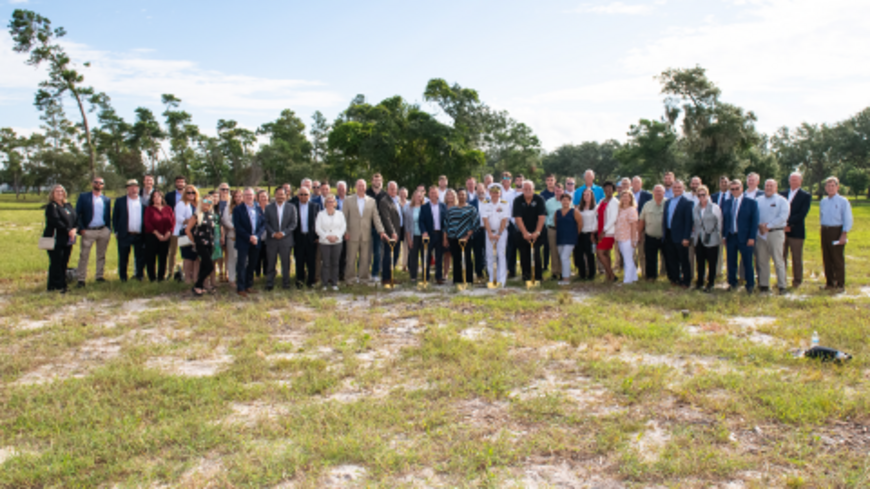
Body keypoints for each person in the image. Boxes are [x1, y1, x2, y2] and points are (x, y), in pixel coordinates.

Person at [343, 179, 386, 284]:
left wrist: (381, 231)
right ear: (356, 187)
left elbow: (376, 218)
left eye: (363, 186)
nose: (361, 188)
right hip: (352, 234)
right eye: (359, 186)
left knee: (365, 259)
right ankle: (350, 279)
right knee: (351, 259)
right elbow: (343, 217)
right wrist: (345, 231)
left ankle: (363, 279)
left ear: (366, 187)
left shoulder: (371, 201)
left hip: (366, 234)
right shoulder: (348, 200)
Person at [723, 180, 759, 293]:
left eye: (736, 188)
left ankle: (750, 285)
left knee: (748, 262)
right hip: (731, 237)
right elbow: (725, 220)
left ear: (742, 188)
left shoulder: (751, 202)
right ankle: (732, 283)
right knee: (731, 262)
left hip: (745, 237)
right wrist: (724, 236)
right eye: (732, 189)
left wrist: (752, 237)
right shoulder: (727, 202)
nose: (734, 191)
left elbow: (754, 221)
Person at [75, 176, 111, 288]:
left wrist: (108, 229)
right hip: (88, 231)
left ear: (103, 185)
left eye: (101, 183)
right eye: (96, 182)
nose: (98, 184)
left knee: (101, 255)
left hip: (102, 230)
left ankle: (99, 276)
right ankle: (81, 279)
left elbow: (108, 215)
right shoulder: (84, 197)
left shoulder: (106, 199)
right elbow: (77, 214)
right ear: (92, 183)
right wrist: (81, 228)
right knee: (84, 255)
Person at [755, 179, 790, 294]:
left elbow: (783, 216)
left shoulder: (782, 201)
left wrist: (769, 226)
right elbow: (754, 215)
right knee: (762, 260)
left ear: (776, 187)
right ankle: (764, 285)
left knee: (778, 260)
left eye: (771, 186)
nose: (768, 188)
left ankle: (782, 286)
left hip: (775, 233)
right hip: (760, 233)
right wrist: (760, 225)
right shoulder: (758, 200)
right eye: (767, 185)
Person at [818, 177, 852, 291]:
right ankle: (829, 283)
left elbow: (847, 218)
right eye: (828, 186)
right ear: (825, 188)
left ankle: (840, 284)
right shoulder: (823, 201)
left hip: (837, 231)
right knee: (827, 257)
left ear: (837, 187)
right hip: (825, 230)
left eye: (833, 186)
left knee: (837, 258)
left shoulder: (843, 201)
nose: (830, 188)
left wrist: (844, 233)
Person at [43, 184, 77, 293]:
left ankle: (62, 284)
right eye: (57, 191)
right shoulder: (51, 206)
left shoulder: (68, 205)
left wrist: (75, 229)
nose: (60, 193)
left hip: (68, 239)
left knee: (64, 262)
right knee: (56, 262)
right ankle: (55, 286)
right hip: (55, 238)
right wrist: (68, 230)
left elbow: (75, 218)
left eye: (61, 191)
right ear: (52, 194)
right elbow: (55, 221)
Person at [233, 187, 266, 297]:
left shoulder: (258, 208)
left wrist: (256, 236)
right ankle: (240, 287)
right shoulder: (238, 209)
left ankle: (249, 285)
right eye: (246, 195)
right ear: (243, 197)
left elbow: (263, 224)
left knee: (252, 264)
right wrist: (249, 237)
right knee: (242, 264)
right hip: (243, 241)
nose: (249, 197)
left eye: (251, 195)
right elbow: (237, 226)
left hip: (256, 241)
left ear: (254, 196)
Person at [781, 172, 811, 288]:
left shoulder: (805, 196)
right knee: (781, 257)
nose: (793, 181)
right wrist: (782, 224)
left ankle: (797, 281)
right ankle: (782, 280)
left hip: (796, 231)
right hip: (782, 230)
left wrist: (788, 223)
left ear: (800, 181)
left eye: (795, 179)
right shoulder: (782, 194)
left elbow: (802, 214)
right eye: (791, 179)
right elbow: (778, 211)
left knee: (796, 258)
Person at [662, 180, 694, 288]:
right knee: (671, 259)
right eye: (675, 187)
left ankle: (686, 281)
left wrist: (686, 237)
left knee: (683, 259)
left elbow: (688, 222)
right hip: (669, 234)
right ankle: (674, 278)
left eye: (679, 187)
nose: (677, 189)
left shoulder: (687, 203)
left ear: (683, 189)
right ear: (672, 189)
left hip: (681, 236)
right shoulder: (668, 202)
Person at [264, 187, 297, 291]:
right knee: (271, 262)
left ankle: (286, 283)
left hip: (285, 240)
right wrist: (273, 233)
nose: (280, 196)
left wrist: (283, 233)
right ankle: (269, 283)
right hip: (272, 239)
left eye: (282, 194)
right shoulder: (268, 208)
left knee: (286, 263)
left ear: (286, 196)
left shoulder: (291, 207)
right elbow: (265, 222)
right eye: (278, 194)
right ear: (275, 195)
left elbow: (293, 223)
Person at [113, 179, 146, 282]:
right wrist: (116, 231)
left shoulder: (143, 201)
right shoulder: (120, 201)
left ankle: (139, 275)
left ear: (138, 188)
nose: (133, 189)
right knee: (123, 257)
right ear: (127, 189)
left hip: (139, 234)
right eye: (131, 187)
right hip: (125, 234)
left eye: (135, 187)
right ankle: (123, 277)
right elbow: (115, 217)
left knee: (140, 257)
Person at [513, 181, 546, 283]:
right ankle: (526, 275)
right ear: (522, 190)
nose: (527, 191)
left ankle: (538, 277)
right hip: (522, 232)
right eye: (525, 189)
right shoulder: (517, 200)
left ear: (533, 189)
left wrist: (536, 232)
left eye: (529, 189)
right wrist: (525, 233)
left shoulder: (539, 199)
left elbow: (541, 217)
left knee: (536, 254)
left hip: (537, 231)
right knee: (524, 254)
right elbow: (518, 218)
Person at [692, 185, 723, 292]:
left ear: (708, 195)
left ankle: (711, 283)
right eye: (699, 195)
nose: (701, 197)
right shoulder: (696, 208)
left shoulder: (714, 207)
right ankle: (700, 282)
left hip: (712, 238)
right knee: (700, 262)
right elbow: (695, 224)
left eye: (703, 195)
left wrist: (718, 235)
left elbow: (719, 223)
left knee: (712, 262)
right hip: (699, 239)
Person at [445, 189, 478, 286]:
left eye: (463, 195)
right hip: (453, 238)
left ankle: (468, 280)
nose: (461, 196)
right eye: (459, 194)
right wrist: (446, 238)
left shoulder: (472, 209)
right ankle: (457, 280)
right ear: (457, 196)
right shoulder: (451, 210)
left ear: (466, 196)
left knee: (467, 259)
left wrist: (468, 235)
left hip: (466, 238)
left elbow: (475, 223)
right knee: (456, 259)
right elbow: (446, 224)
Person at [186, 197, 217, 296]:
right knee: (209, 266)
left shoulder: (211, 215)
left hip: (210, 244)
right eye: (205, 201)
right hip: (201, 244)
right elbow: (188, 230)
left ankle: (199, 287)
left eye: (209, 202)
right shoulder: (196, 215)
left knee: (204, 266)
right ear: (200, 203)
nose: (207, 204)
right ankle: (197, 285)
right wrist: (194, 241)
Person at [143, 190, 175, 282]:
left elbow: (172, 222)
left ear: (162, 198)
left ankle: (161, 277)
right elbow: (147, 222)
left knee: (163, 257)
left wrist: (168, 233)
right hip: (152, 236)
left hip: (166, 236)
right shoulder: (149, 209)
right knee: (151, 257)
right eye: (154, 197)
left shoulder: (168, 208)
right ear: (152, 199)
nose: (157, 198)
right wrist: (157, 234)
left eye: (158, 196)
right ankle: (152, 278)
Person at [316, 194, 346, 290]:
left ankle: (334, 283)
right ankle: (324, 284)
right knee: (325, 263)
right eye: (328, 201)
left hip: (337, 242)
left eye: (332, 201)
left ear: (335, 203)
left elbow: (343, 227)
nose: (330, 203)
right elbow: (318, 228)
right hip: (325, 242)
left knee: (335, 263)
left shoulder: (340, 214)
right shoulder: (320, 214)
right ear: (325, 203)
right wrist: (327, 236)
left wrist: (336, 236)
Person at [294, 187, 321, 288]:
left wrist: (317, 236)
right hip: (299, 237)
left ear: (309, 196)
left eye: (306, 194)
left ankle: (311, 281)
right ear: (298, 196)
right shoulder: (294, 206)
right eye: (301, 194)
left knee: (311, 261)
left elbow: (318, 222)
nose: (303, 196)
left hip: (311, 238)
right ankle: (300, 280)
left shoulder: (315, 206)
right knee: (299, 261)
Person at [419, 186, 448, 284]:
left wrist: (445, 236)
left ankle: (439, 277)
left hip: (440, 235)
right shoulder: (424, 207)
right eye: (431, 193)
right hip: (429, 235)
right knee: (426, 256)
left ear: (438, 194)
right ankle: (425, 277)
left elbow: (446, 221)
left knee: (439, 256)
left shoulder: (443, 206)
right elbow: (421, 221)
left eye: (435, 193)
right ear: (429, 194)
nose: (433, 195)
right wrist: (424, 232)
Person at [483, 185, 510, 287]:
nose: (495, 195)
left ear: (500, 193)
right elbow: (485, 219)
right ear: (490, 193)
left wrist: (499, 233)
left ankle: (501, 280)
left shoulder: (504, 204)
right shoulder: (485, 204)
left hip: (501, 233)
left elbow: (504, 219)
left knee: (500, 255)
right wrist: (490, 233)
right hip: (489, 232)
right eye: (493, 192)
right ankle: (492, 278)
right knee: (490, 255)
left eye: (497, 192)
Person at [639, 185, 667, 282]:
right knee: (650, 258)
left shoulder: (668, 203)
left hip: (665, 237)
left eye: (660, 191)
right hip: (650, 236)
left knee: (669, 258)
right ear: (653, 193)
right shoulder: (647, 205)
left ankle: (672, 276)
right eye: (656, 191)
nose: (658, 193)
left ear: (664, 193)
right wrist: (639, 234)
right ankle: (651, 276)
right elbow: (642, 220)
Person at [554, 193, 582, 285]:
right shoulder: (557, 212)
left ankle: (566, 279)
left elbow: (580, 224)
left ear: (570, 201)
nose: (565, 202)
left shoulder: (575, 212)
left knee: (564, 257)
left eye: (567, 200)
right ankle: (566, 274)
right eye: (563, 200)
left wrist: (574, 234)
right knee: (563, 257)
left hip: (570, 238)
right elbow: (556, 224)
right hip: (560, 237)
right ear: (560, 201)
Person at [378, 182, 402, 285]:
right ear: (387, 190)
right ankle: (385, 278)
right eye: (391, 189)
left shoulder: (397, 200)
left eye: (395, 189)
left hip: (399, 231)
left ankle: (391, 276)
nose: (393, 191)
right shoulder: (384, 201)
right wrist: (392, 232)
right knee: (388, 255)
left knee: (395, 255)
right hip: (390, 234)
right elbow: (386, 218)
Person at [595, 181, 619, 282]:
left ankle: (611, 274)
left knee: (599, 252)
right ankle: (609, 276)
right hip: (600, 230)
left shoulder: (615, 202)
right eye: (606, 188)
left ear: (613, 190)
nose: (608, 190)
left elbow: (613, 218)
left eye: (610, 188)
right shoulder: (602, 201)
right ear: (603, 190)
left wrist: (604, 231)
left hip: (608, 232)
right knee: (606, 253)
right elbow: (596, 214)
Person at [615, 191, 639, 284]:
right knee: (627, 258)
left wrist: (633, 240)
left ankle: (627, 280)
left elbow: (634, 226)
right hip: (620, 237)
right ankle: (634, 277)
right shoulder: (621, 209)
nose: (625, 198)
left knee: (627, 259)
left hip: (628, 238)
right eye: (623, 197)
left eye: (627, 197)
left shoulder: (632, 210)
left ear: (631, 199)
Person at [366, 173, 387, 282]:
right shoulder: (366, 194)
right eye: (375, 180)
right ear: (371, 181)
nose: (377, 182)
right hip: (367, 227)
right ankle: (363, 274)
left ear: (381, 182)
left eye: (379, 180)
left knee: (378, 252)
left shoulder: (385, 195)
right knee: (365, 252)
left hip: (380, 229)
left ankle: (374, 274)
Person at [165, 175, 187, 276]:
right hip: (174, 228)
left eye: (181, 182)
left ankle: (186, 272)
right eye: (178, 182)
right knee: (172, 251)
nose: (180, 184)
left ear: (185, 183)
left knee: (185, 251)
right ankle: (170, 272)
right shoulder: (169, 196)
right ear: (175, 183)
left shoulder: (189, 195)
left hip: (186, 228)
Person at [574, 188, 597, 281]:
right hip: (580, 233)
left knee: (590, 255)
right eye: (584, 195)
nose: (586, 196)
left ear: (591, 196)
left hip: (590, 234)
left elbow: (596, 221)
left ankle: (591, 274)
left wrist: (593, 233)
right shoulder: (579, 208)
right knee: (579, 255)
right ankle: (582, 274)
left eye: (588, 194)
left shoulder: (595, 207)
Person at [403, 190, 426, 282]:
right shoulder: (409, 209)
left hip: (423, 236)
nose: (418, 198)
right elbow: (407, 225)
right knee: (413, 256)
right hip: (413, 236)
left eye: (420, 196)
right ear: (413, 197)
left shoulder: (425, 208)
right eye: (416, 196)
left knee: (424, 256)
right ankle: (413, 276)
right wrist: (409, 239)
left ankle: (425, 275)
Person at [631, 176, 652, 277]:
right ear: (631, 184)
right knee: (632, 252)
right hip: (630, 227)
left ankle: (644, 272)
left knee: (642, 252)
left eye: (638, 182)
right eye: (634, 182)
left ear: (641, 184)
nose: (636, 184)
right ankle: (633, 273)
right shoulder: (628, 195)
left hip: (643, 226)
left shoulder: (647, 195)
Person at [544, 183, 565, 280]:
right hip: (552, 229)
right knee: (553, 251)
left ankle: (563, 272)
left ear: (563, 191)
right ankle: (555, 272)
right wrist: (546, 225)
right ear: (554, 191)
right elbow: (545, 215)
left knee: (563, 251)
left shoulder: (567, 202)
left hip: (564, 230)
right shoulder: (548, 202)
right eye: (556, 191)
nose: (558, 193)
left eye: (560, 191)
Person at [221, 190, 242, 286]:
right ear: (233, 198)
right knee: (232, 259)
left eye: (240, 196)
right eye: (236, 196)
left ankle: (241, 278)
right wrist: (234, 227)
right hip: (232, 235)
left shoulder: (247, 207)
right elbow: (225, 220)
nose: (238, 198)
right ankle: (232, 280)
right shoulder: (228, 207)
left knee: (243, 259)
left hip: (244, 237)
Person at [215, 182, 231, 282]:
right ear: (219, 190)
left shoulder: (230, 202)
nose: (224, 191)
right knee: (219, 252)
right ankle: (220, 271)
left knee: (228, 252)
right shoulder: (216, 201)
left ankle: (227, 272)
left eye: (226, 189)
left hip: (228, 230)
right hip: (217, 230)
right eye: (222, 189)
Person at [442, 189, 458, 279]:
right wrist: (445, 237)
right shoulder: (443, 207)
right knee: (447, 255)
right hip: (445, 234)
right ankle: (445, 274)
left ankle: (456, 275)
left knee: (456, 255)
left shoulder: (458, 206)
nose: (450, 197)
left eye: (451, 195)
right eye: (448, 195)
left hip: (456, 234)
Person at [254, 190, 270, 278]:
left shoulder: (271, 208)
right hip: (258, 236)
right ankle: (257, 274)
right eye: (261, 196)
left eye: (265, 196)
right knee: (257, 256)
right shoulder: (255, 209)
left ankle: (266, 273)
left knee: (267, 256)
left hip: (269, 236)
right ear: (257, 198)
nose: (263, 198)